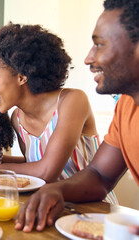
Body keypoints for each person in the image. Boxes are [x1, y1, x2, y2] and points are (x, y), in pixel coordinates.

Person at [15, 0, 139, 234]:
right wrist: (58, 190)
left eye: (99, 45)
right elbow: (100, 174)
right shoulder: (126, 106)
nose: (88, 58)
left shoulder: (73, 100)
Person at [0, 24, 107, 184]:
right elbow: (32, 166)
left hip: (92, 206)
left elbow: (46, 171)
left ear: (21, 77)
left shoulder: (72, 101)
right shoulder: (17, 118)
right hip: (50, 202)